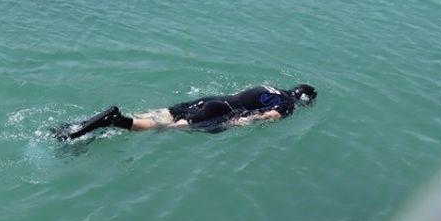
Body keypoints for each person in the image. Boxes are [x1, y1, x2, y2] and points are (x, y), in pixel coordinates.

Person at [54, 84, 317, 140]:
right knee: (164, 128)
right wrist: (235, 124)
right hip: (220, 111)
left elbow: (244, 95)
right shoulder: (287, 105)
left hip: (212, 99)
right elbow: (264, 116)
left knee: (157, 115)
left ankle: (76, 126)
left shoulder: (269, 86)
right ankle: (115, 120)